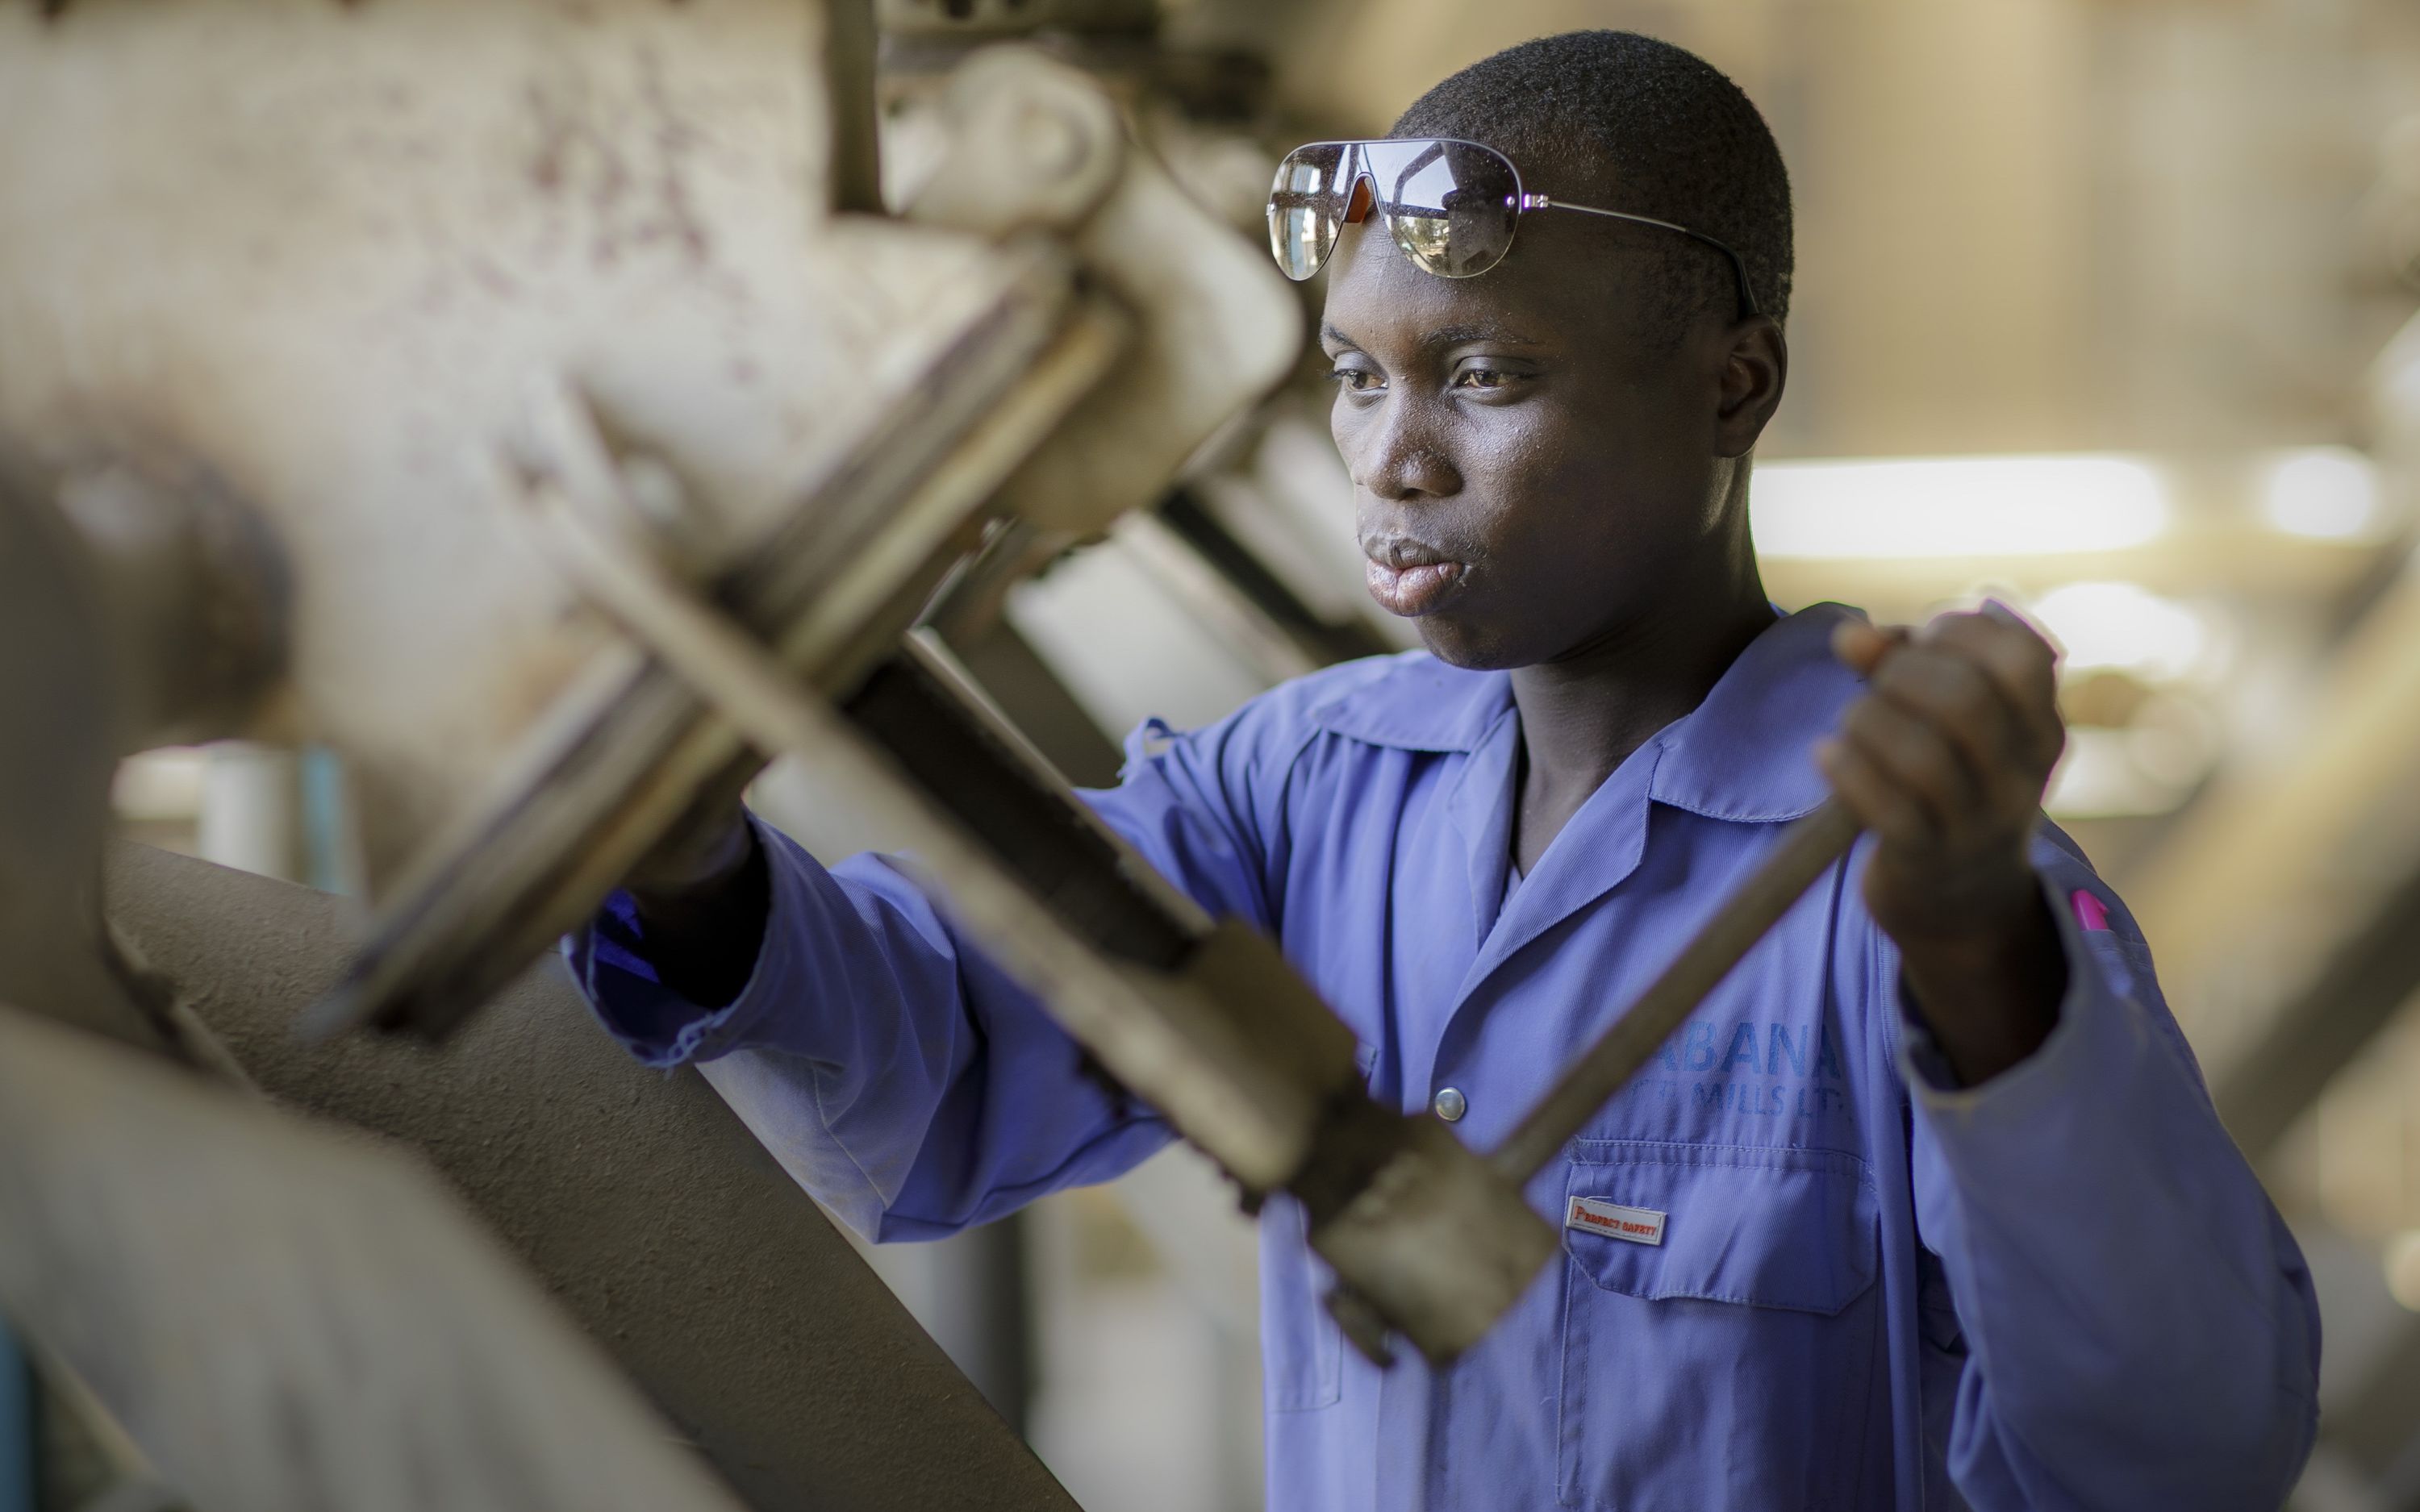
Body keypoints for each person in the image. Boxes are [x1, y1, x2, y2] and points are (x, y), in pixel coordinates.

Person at [569, 30, 2320, 1512]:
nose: (1392, 460)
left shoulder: (1913, 874)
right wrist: (682, 851)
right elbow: (938, 1034)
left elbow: (2182, 1446)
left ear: (1734, 387)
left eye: (1485, 376)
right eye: (1353, 376)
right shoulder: (1294, 791)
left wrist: (1980, 965)